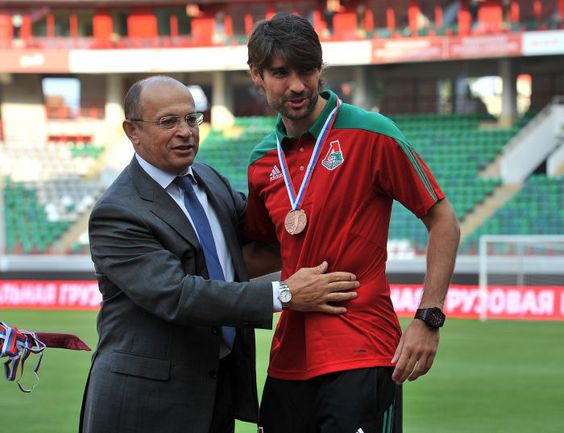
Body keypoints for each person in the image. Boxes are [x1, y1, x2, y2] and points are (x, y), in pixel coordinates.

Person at [79, 75, 360, 433]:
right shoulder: (118, 211)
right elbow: (179, 295)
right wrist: (286, 294)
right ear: (132, 131)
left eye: (191, 118)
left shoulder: (209, 180)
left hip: (213, 393)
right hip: (143, 404)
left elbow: (270, 233)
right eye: (168, 122)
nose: (185, 132)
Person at [245, 14, 461, 433]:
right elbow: (261, 253)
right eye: (281, 73)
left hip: (364, 351)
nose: (297, 85)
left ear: (320, 68)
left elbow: (443, 221)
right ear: (257, 75)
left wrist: (428, 317)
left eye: (307, 70)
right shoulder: (262, 161)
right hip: (288, 362)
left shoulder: (373, 133)